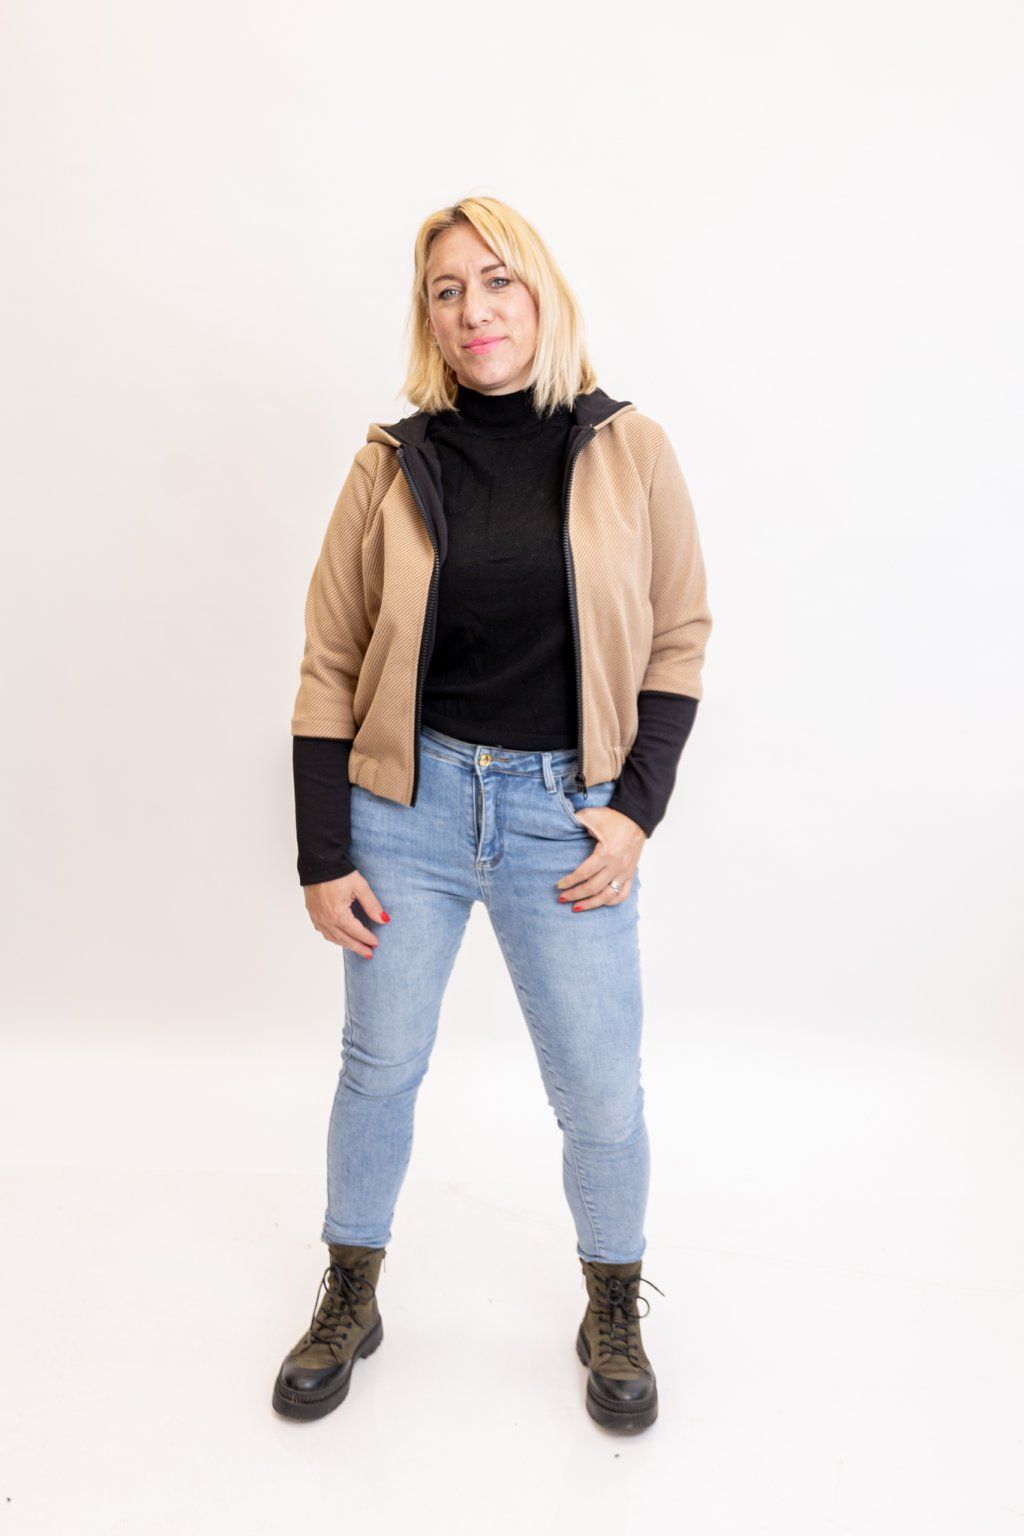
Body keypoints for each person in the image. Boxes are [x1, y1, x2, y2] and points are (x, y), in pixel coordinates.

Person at [271, 195, 713, 1433]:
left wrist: (634, 811)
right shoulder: (390, 461)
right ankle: (351, 1291)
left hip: (562, 820)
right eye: (446, 290)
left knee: (599, 1091)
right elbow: (329, 660)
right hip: (403, 812)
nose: (475, 309)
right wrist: (322, 851)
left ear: (542, 293)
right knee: (378, 1069)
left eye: (496, 280)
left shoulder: (631, 450)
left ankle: (612, 1301)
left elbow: (678, 639)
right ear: (429, 319)